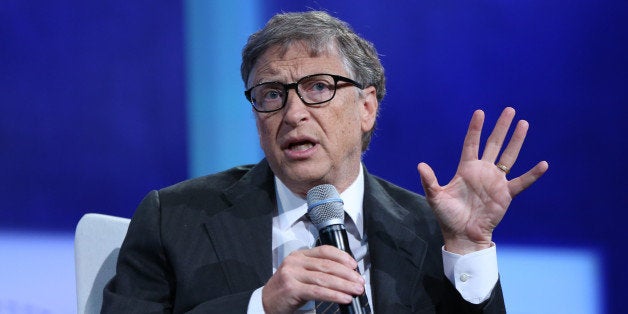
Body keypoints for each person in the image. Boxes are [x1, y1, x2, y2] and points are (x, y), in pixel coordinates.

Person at [102, 11, 548, 313]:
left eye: (319, 87)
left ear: (366, 107)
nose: (293, 113)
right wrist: (262, 305)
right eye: (272, 94)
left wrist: (469, 248)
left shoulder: (434, 228)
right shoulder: (173, 218)